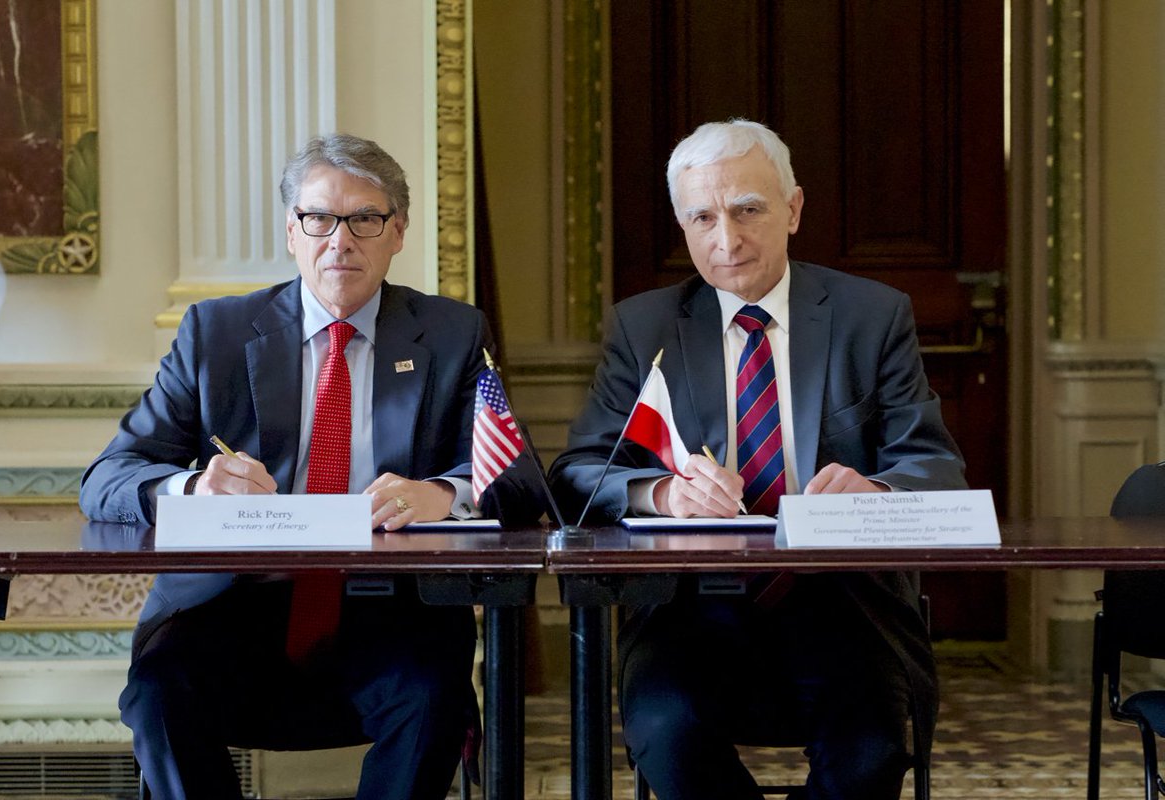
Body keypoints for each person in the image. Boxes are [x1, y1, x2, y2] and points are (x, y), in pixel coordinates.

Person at [80, 133, 545, 800]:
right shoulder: (216, 334)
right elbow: (108, 477)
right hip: (230, 607)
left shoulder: (450, 334)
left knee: (435, 698)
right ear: (292, 232)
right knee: (158, 693)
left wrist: (446, 494)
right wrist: (192, 486)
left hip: (391, 612)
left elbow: (522, 479)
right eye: (319, 219)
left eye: (365, 219)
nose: (340, 241)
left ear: (398, 232)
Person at [548, 120, 966, 800]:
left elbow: (935, 467)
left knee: (869, 753)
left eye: (748, 210)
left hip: (845, 603)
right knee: (669, 737)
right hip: (690, 608)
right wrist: (661, 494)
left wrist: (879, 493)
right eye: (703, 218)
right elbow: (577, 474)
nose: (727, 240)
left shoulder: (871, 316)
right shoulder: (644, 326)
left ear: (793, 209)